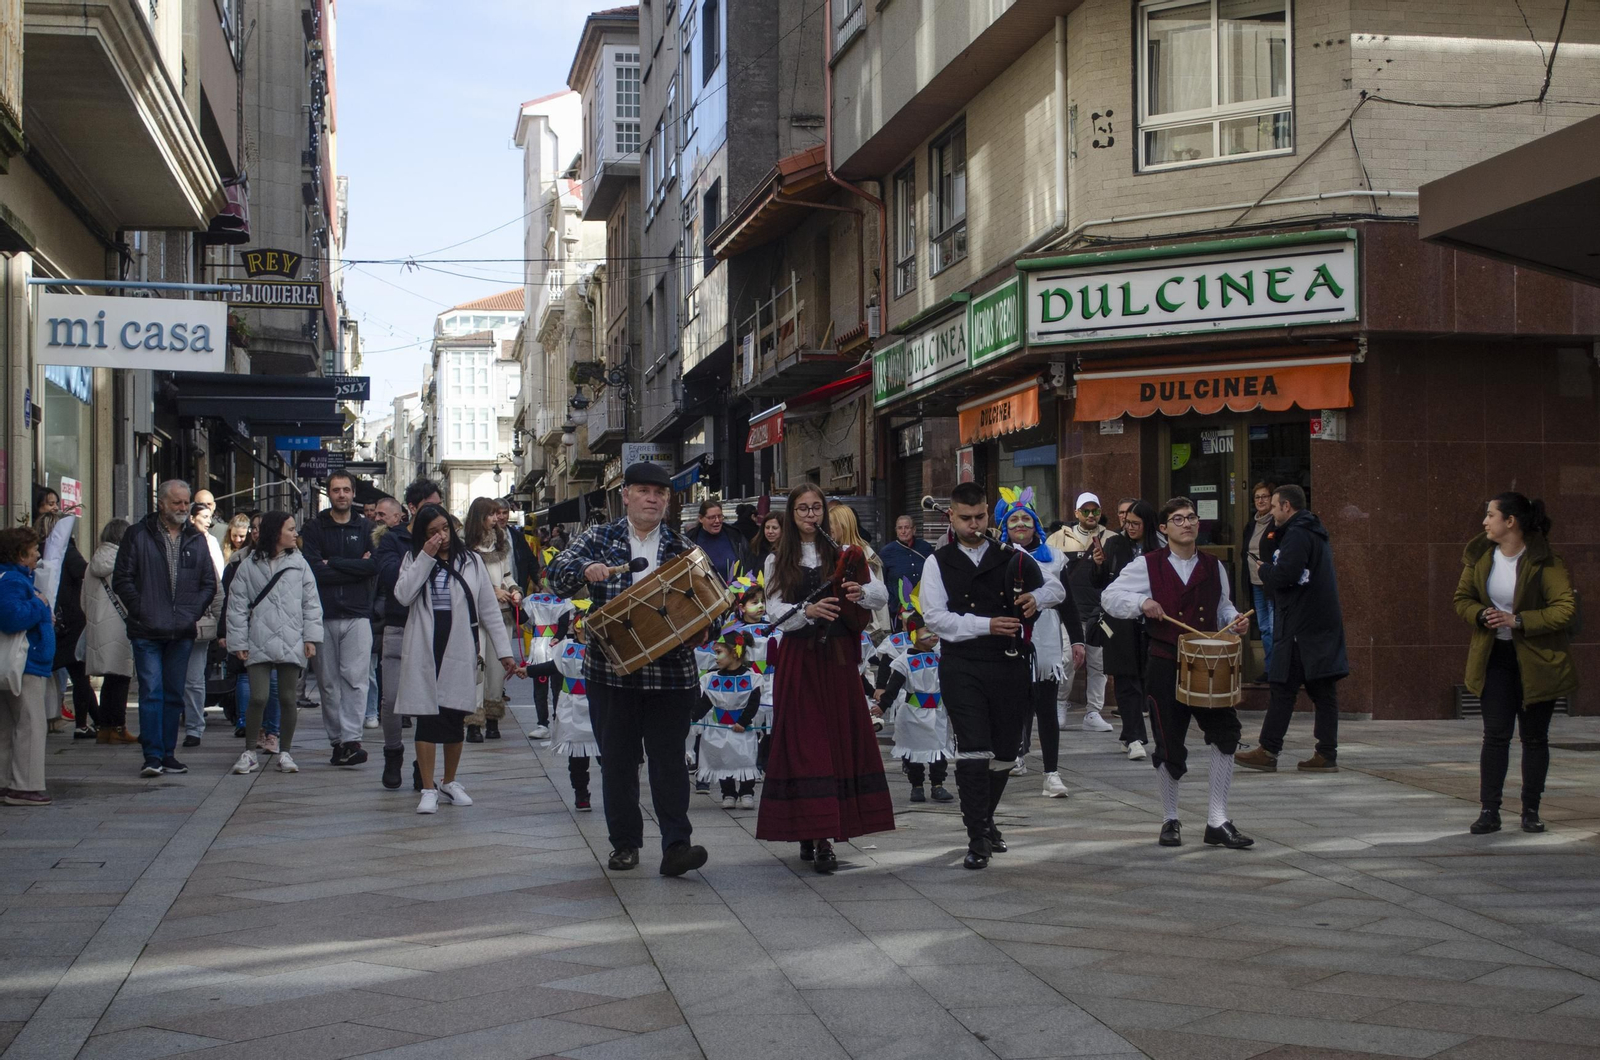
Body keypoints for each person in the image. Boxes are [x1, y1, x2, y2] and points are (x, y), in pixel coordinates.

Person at [548, 463, 709, 877]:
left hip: (672, 675)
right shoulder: (599, 538)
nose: (652, 498)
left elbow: (715, 604)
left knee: (669, 762)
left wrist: (704, 630)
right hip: (610, 673)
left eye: (660, 492)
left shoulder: (683, 548)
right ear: (626, 495)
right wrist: (584, 570)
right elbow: (556, 575)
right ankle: (625, 845)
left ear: (668, 500)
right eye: (643, 491)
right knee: (618, 762)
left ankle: (677, 846)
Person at [922, 482, 1064, 869]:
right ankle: (977, 837)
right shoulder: (939, 561)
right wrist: (987, 625)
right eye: (965, 518)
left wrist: (1037, 598)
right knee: (973, 748)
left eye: (980, 517)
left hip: (1009, 664)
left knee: (1004, 752)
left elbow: (1056, 588)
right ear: (950, 516)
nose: (974, 525)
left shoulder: (1012, 554)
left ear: (989, 513)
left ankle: (985, 820)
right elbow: (935, 618)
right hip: (962, 664)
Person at [756, 482, 894, 873]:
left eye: (816, 508)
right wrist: (810, 612)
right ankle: (811, 831)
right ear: (791, 514)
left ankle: (825, 835)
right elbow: (774, 610)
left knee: (834, 742)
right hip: (800, 658)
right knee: (806, 743)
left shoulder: (845, 553)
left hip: (837, 660)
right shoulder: (777, 559)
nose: (811, 515)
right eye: (803, 509)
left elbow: (880, 595)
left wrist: (858, 591)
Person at [1101, 498, 1253, 850]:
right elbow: (1110, 597)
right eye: (1178, 519)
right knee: (1169, 742)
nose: (1187, 523)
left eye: (1192, 518)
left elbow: (1223, 607)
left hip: (1207, 666)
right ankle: (1170, 818)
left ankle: (1218, 819)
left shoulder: (1215, 566)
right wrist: (1142, 603)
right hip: (1165, 661)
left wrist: (1235, 623)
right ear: (1164, 529)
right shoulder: (1147, 565)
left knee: (1226, 734)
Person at [1453, 492, 1577, 836]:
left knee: (1535, 738)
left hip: (1538, 662)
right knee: (1495, 736)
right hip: (1494, 658)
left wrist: (1518, 620)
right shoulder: (1480, 556)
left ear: (1511, 522)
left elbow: (1564, 608)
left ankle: (1530, 811)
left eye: (1490, 515)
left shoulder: (1544, 560)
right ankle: (1489, 811)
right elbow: (1462, 599)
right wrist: (1481, 614)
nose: (1484, 521)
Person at [393, 504, 517, 814]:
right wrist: (426, 556)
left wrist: (505, 653)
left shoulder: (471, 561)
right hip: (425, 645)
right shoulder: (414, 559)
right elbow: (404, 595)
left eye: (445, 529)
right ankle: (427, 787)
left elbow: (488, 609)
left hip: (459, 644)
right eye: (433, 532)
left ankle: (449, 781)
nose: (441, 536)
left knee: (453, 715)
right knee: (426, 716)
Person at [1236, 485, 1349, 775]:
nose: (1271, 511)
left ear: (1287, 506)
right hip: (1315, 623)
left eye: (1274, 506)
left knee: (1284, 686)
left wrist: (1264, 571)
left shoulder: (1298, 533)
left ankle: (1270, 750)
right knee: (1321, 690)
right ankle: (1325, 752)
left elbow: (1286, 575)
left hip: (1301, 626)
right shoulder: (1312, 530)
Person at [113, 480, 218, 778]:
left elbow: (208, 583)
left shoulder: (196, 539)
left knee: (174, 694)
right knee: (151, 692)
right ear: (161, 503)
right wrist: (143, 609)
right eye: (177, 503)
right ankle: (152, 756)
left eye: (186, 503)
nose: (184, 508)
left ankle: (169, 754)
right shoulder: (137, 535)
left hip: (181, 630)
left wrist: (190, 613)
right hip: (146, 629)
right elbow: (123, 579)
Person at [996, 488, 1085, 798]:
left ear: (1036, 525)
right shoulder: (995, 557)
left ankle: (1051, 774)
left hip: (1045, 639)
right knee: (1015, 703)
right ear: (1004, 527)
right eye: (1013, 520)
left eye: (1026, 519)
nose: (1020, 524)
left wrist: (1077, 641)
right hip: (1007, 638)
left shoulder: (1054, 557)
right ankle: (1016, 755)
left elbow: (1067, 602)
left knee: (1046, 704)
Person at [226, 512, 323, 775]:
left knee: (288, 698)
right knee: (259, 696)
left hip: (291, 638)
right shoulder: (248, 565)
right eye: (290, 529)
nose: (295, 534)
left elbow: (311, 604)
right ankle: (249, 751)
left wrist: (311, 638)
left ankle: (286, 752)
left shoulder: (300, 564)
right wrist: (238, 641)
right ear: (276, 533)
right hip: (258, 639)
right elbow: (236, 607)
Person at [300, 470, 377, 767]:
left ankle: (352, 739)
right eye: (336, 490)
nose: (342, 495)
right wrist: (356, 565)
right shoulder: (316, 528)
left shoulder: (367, 527)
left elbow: (374, 568)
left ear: (353, 493)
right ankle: (337, 740)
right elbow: (313, 570)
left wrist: (334, 564)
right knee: (328, 683)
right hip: (324, 614)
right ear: (329, 494)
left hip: (358, 614)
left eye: (346, 489)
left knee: (356, 681)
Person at [375, 480, 442, 789]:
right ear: (412, 508)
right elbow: (392, 579)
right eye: (430, 505)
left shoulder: (446, 539)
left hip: (432, 628)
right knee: (390, 699)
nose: (437, 512)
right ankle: (393, 752)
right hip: (399, 624)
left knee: (427, 699)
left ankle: (422, 760)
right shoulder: (393, 540)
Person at [1094, 500, 1160, 761]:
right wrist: (1098, 564)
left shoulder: (1160, 548)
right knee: (1125, 679)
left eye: (1135, 523)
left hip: (1151, 622)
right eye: (1126, 522)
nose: (1129, 527)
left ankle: (1132, 733)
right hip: (1119, 621)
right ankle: (1134, 737)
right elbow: (1099, 583)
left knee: (1147, 679)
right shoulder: (1115, 543)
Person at [1047, 492, 1113, 733]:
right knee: (1067, 659)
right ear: (1076, 513)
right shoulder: (1057, 539)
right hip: (1069, 612)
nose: (1091, 515)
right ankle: (1060, 703)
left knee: (1099, 664)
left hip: (1099, 613)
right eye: (1086, 510)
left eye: (1095, 510)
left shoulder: (1111, 539)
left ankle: (1093, 711)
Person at [0, 528, 55, 805]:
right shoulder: (13, 580)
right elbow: (12, 616)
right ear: (21, 555)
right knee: (31, 724)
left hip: (18, 663)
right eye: (33, 550)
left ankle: (5, 781)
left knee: (8, 725)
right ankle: (25, 785)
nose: (37, 554)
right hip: (25, 663)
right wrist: (39, 604)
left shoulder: (9, 578)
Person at [880, 614, 954, 804]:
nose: (934, 636)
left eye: (936, 632)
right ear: (914, 633)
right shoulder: (904, 661)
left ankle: (937, 785)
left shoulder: (941, 657)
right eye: (928, 631)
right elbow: (893, 687)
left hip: (937, 713)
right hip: (912, 714)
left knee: (938, 751)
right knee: (913, 754)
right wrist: (882, 706)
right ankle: (917, 786)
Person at [463, 497, 520, 742]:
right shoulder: (466, 548)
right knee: (478, 666)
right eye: (491, 514)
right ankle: (474, 722)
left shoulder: (501, 543)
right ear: (480, 517)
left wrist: (514, 590)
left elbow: (506, 574)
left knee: (497, 669)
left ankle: (493, 718)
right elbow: (465, 582)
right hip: (475, 617)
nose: (496, 518)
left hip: (502, 614)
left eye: (497, 514)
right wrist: (492, 591)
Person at [38, 512, 97, 740]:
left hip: (51, 618)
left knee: (57, 671)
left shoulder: (36, 549)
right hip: (70, 620)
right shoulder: (66, 550)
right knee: (80, 674)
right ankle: (83, 724)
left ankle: (98, 719)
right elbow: (84, 572)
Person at [693, 629, 763, 810]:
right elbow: (705, 703)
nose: (714, 656)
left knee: (744, 759)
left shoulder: (751, 678)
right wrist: (691, 717)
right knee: (722, 760)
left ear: (734, 653)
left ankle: (747, 792)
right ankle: (728, 793)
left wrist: (743, 721)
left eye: (718, 652)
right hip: (719, 729)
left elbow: (753, 704)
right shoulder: (711, 678)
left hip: (741, 729)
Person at [83, 519, 137, 745]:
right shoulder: (122, 562)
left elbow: (84, 600)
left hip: (98, 625)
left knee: (109, 680)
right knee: (121, 678)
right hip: (120, 625)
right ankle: (117, 727)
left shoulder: (92, 562)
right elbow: (129, 595)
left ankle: (104, 727)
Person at [180, 502, 227, 748]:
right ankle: (183, 724)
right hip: (169, 624)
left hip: (197, 625)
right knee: (178, 679)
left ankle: (194, 727)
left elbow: (216, 591)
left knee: (194, 679)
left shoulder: (204, 550)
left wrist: (221, 627)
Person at [548, 603, 598, 809]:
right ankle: (581, 793)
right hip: (573, 709)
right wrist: (528, 671)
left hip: (598, 707)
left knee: (608, 755)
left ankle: (616, 793)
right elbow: (553, 666)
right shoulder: (566, 648)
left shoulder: (604, 649)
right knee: (577, 757)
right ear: (577, 625)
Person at [828, 504, 890, 632]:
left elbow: (880, 590)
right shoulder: (830, 551)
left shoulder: (864, 552)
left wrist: (885, 627)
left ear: (842, 525)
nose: (828, 528)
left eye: (831, 523)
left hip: (866, 625)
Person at [1244, 482, 1277, 681]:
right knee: (1264, 627)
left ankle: (1278, 670)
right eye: (1257, 497)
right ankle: (1270, 669)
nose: (1261, 500)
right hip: (1256, 583)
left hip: (1272, 583)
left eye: (1265, 496)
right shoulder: (1251, 524)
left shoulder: (1277, 523)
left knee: (1274, 628)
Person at [879, 514, 935, 615]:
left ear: (914, 530)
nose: (903, 531)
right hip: (898, 609)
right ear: (896, 531)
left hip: (924, 606)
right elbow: (881, 581)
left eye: (907, 527)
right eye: (900, 528)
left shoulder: (925, 547)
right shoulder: (887, 552)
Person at [685, 500, 751, 582]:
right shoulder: (689, 540)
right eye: (712, 517)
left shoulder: (735, 536)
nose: (717, 521)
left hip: (736, 592)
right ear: (701, 518)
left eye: (720, 516)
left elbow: (749, 562)